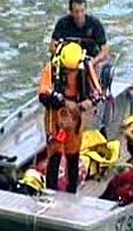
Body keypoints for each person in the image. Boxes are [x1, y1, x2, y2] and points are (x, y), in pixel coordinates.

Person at [38, 42, 103, 193]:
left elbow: (98, 92)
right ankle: (50, 191)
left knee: (73, 154)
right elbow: (43, 95)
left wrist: (89, 102)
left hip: (75, 118)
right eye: (68, 70)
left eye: (73, 70)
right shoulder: (52, 69)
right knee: (55, 154)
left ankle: (72, 191)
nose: (70, 73)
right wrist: (65, 102)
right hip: (55, 116)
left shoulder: (86, 68)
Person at [49, 0, 109, 71]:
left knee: (99, 67)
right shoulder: (62, 23)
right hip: (68, 59)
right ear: (71, 12)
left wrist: (93, 62)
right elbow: (52, 47)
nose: (80, 15)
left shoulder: (95, 24)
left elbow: (105, 50)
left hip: (89, 58)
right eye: (76, 12)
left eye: (82, 11)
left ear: (86, 10)